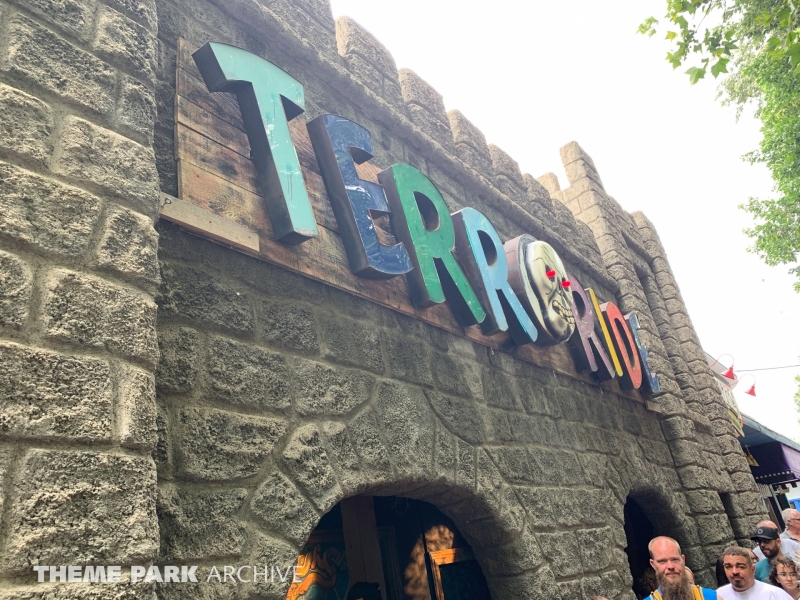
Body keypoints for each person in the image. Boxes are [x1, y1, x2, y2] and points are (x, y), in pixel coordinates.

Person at [647, 536, 716, 600]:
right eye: (662, 561)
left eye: (675, 559)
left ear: (683, 560)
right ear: (653, 564)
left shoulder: (713, 597)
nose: (670, 566)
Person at [718, 546, 794, 599]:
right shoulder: (718, 596)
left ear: (752, 569)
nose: (734, 572)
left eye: (741, 566)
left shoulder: (774, 594)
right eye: (728, 567)